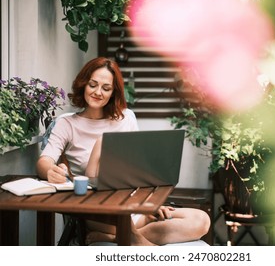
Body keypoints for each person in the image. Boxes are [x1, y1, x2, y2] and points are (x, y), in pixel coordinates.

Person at [36, 57, 210, 246]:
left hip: (132, 206)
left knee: (201, 220)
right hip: (99, 213)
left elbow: (136, 169)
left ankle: (121, 237)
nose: (98, 92)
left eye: (106, 88)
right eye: (93, 85)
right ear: (83, 84)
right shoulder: (67, 124)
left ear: (113, 92)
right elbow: (44, 161)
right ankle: (134, 239)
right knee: (119, 218)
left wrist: (150, 204)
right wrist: (50, 171)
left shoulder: (126, 118)